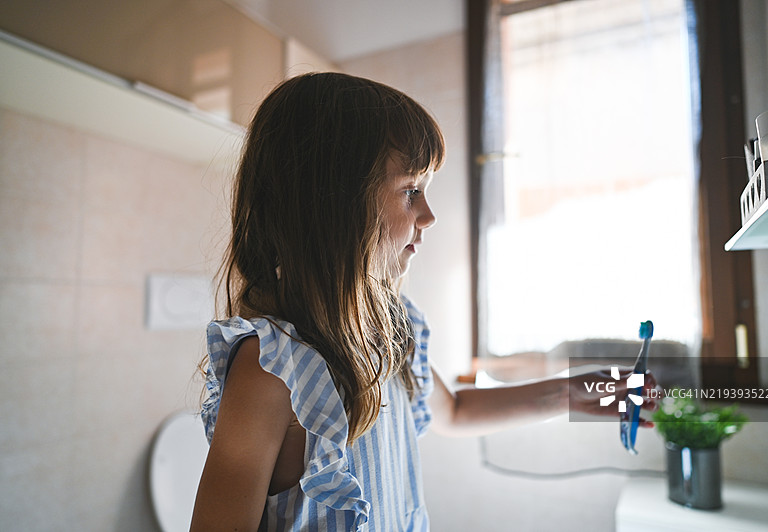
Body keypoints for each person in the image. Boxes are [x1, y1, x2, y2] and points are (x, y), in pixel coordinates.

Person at [190, 72, 656, 531]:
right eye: (411, 191)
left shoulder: (390, 327)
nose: (429, 215)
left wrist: (571, 390)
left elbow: (452, 410)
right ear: (333, 202)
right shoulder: (271, 370)